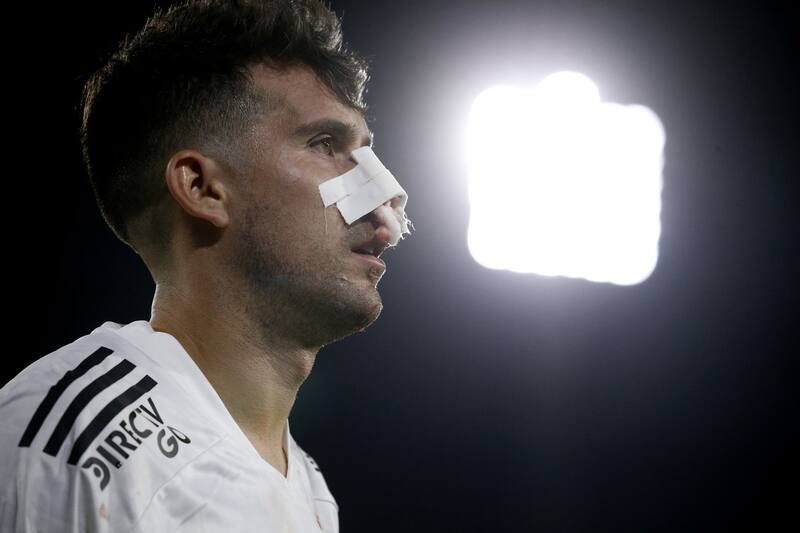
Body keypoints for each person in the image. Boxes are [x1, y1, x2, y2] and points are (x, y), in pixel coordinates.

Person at [0, 0, 410, 531]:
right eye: (325, 145)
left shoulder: (313, 493)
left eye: (366, 155)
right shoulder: (76, 443)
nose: (384, 201)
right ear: (202, 188)